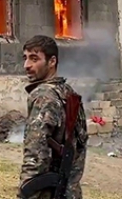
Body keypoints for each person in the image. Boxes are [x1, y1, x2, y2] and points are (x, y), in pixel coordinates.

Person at [17, 35, 88, 199]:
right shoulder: (69, 93)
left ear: (52, 61)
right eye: (25, 58)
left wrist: (26, 192)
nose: (27, 65)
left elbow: (35, 154)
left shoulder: (44, 96)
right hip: (70, 191)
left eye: (34, 59)